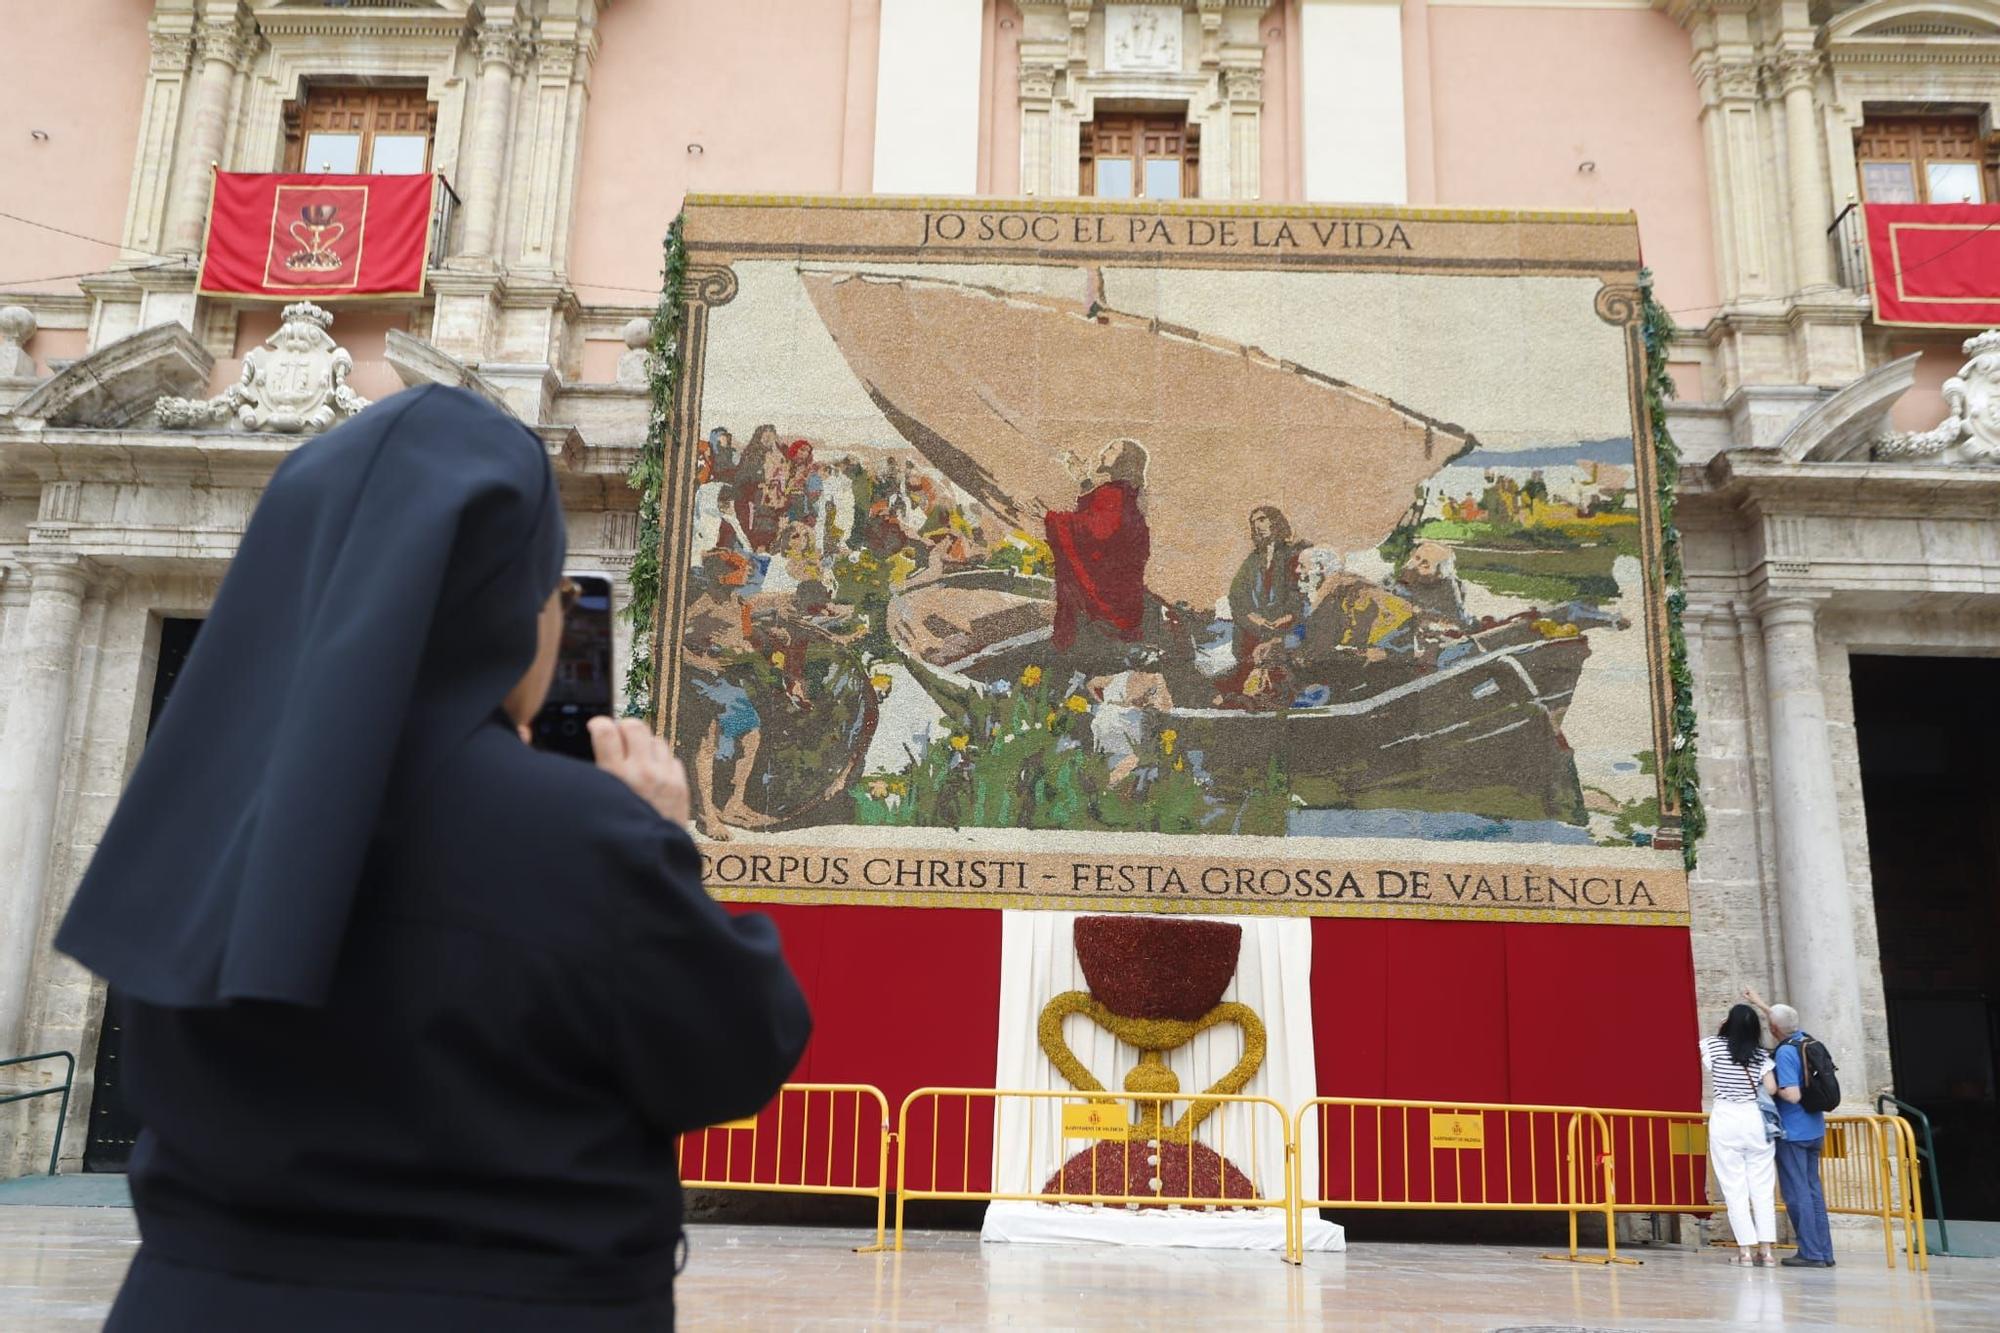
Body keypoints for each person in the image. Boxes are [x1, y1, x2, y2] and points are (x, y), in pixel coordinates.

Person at [55, 386, 811, 1330]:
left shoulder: (195, 802)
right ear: (497, 601)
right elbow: (733, 1057)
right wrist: (659, 837)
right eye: (551, 592)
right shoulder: (581, 831)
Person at [1745, 988, 1836, 1268]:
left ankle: (1810, 1252)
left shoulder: (1785, 1053)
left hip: (1792, 1132)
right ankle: (1824, 1252)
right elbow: (1783, 1020)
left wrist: (1769, 1086)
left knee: (1796, 1193)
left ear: (1774, 1029)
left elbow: (1793, 1094)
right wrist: (1761, 1003)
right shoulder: (1804, 1039)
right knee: (1813, 1191)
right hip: (1814, 1128)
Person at [1040, 438, 1151, 656]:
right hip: (1120, 590)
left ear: (1124, 460)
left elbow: (1093, 531)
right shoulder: (1123, 492)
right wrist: (1083, 480)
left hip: (1106, 597)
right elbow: (1097, 517)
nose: (1103, 452)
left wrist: (1051, 519)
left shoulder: (1116, 494)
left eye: (1112, 449)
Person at [1699, 1003, 1780, 1267]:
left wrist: (1723, 1027)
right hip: (1754, 1120)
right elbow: (1771, 1088)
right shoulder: (1760, 1056)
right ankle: (1766, 1251)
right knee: (1762, 1187)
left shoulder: (1713, 1046)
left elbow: (1706, 1046)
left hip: (1726, 1119)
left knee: (1734, 1187)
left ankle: (1745, 1250)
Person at [1227, 506, 1309, 667]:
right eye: (1254, 522)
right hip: (1258, 625)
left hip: (1287, 624)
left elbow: (1301, 594)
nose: (1258, 526)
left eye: (1262, 519)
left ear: (1275, 521)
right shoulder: (1253, 559)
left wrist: (1286, 618)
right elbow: (1237, 594)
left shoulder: (1293, 554)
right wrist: (1253, 617)